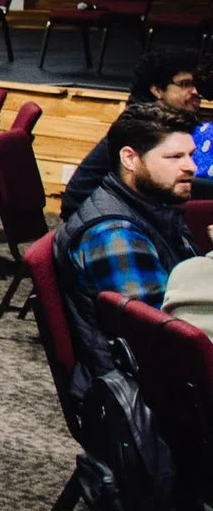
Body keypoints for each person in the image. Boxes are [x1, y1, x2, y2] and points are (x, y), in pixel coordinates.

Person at [57, 105, 198, 332]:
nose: (191, 167)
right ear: (130, 159)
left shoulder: (153, 206)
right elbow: (163, 334)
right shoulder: (116, 233)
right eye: (174, 157)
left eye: (191, 155)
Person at [62, 48, 201, 218]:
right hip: (96, 214)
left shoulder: (169, 122)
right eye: (185, 84)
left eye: (197, 84)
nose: (195, 91)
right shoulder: (142, 127)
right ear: (157, 90)